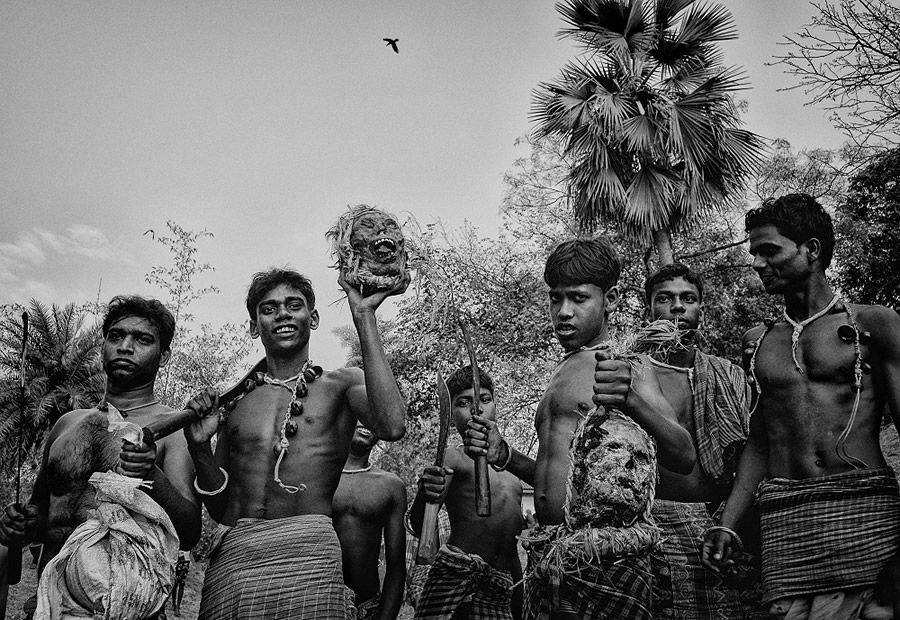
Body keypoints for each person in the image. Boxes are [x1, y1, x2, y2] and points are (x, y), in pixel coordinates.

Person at [465, 237, 696, 620]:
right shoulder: (562, 372)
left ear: (612, 299)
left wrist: (631, 401)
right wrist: (504, 455)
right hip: (552, 553)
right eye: (555, 298)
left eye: (578, 298)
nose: (563, 312)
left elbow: (684, 455)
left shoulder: (625, 363)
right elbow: (559, 476)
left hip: (606, 558)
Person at [703, 194, 900, 620]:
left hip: (864, 514)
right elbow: (761, 438)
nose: (757, 264)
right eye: (753, 252)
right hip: (787, 524)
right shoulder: (758, 341)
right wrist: (728, 520)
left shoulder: (873, 324)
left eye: (769, 251)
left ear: (811, 250)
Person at [185, 268, 408, 620]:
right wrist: (199, 446)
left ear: (313, 317)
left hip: (310, 557)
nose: (283, 314)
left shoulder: (341, 385)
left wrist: (364, 315)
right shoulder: (237, 401)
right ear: (253, 326)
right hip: (236, 561)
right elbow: (218, 510)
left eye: (294, 305)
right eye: (269, 309)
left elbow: (393, 424)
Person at [0, 295, 201, 619]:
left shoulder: (173, 430)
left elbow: (190, 532)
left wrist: (150, 473)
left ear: (163, 356)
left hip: (129, 610)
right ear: (103, 346)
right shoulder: (67, 424)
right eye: (116, 336)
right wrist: (19, 524)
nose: (125, 345)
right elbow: (43, 517)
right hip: (48, 606)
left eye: (142, 339)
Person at [621, 263, 755, 618]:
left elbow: (753, 453)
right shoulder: (627, 373)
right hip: (650, 527)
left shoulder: (729, 375)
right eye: (665, 298)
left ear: (700, 310)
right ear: (648, 308)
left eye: (688, 299)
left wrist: (731, 521)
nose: (677, 307)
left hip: (719, 523)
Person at [407, 365, 524, 620]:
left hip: (502, 583)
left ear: (495, 404)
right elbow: (420, 524)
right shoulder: (454, 458)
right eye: (463, 402)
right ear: (451, 415)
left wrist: (519, 593)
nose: (476, 409)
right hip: (457, 578)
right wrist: (425, 494)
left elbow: (511, 546)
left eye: (484, 399)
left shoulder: (513, 468)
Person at [332, 423, 407, 620]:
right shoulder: (317, 478)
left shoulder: (391, 486)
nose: (366, 421)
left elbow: (396, 569)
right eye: (360, 413)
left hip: (367, 606)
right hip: (318, 604)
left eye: (375, 416)